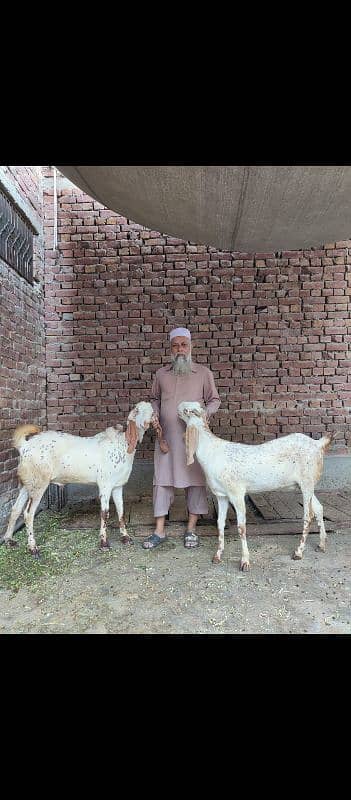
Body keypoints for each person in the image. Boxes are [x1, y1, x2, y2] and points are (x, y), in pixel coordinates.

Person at [142, 327, 220, 550]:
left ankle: (191, 529)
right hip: (166, 436)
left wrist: (205, 413)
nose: (180, 350)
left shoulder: (203, 373)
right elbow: (154, 398)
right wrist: (154, 412)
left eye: (184, 345)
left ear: (190, 347)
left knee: (195, 481)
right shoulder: (161, 374)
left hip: (193, 439)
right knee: (162, 481)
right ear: (170, 348)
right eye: (175, 345)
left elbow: (214, 400)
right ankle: (159, 530)